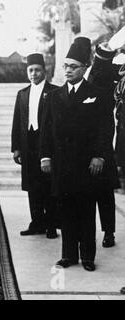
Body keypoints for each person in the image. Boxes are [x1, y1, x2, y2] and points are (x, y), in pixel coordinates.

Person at [40, 40, 114, 272]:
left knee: (86, 210)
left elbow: (105, 128)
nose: (68, 70)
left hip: (87, 164)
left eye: (73, 66)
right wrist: (45, 156)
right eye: (66, 66)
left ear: (85, 68)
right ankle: (68, 255)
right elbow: (46, 129)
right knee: (66, 209)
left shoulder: (97, 95)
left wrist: (100, 156)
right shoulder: (54, 96)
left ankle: (88, 256)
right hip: (62, 164)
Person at [78, 37, 121, 248]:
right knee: (86, 193)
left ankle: (109, 231)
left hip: (102, 141)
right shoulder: (80, 73)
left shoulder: (104, 71)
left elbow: (103, 68)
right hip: (83, 143)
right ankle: (86, 233)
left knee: (104, 193)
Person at [11, 53, 59, 239]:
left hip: (46, 144)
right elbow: (17, 122)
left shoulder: (54, 92)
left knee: (48, 185)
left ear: (44, 71)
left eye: (37, 70)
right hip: (27, 142)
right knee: (32, 185)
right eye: (30, 70)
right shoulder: (22, 94)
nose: (34, 74)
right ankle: (36, 222)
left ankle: (51, 224)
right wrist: (16, 147)